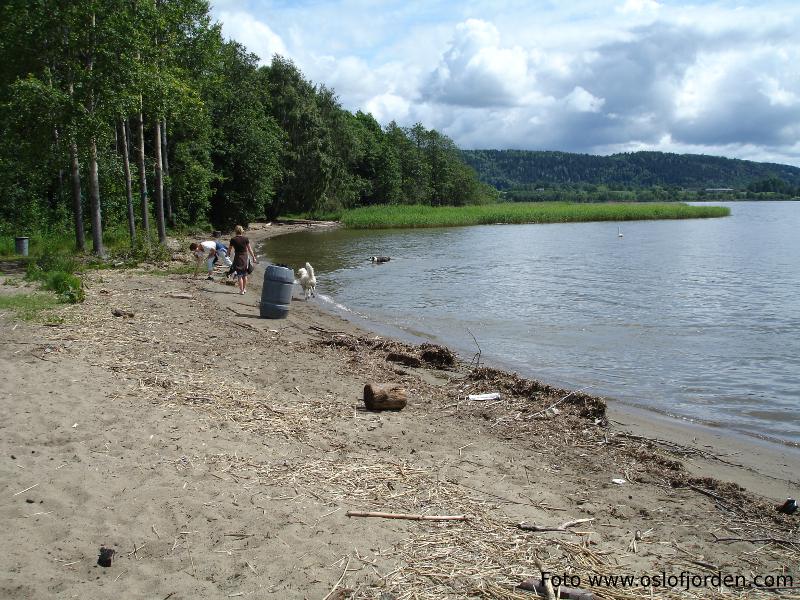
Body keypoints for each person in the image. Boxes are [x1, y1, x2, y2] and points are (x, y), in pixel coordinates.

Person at [228, 225, 258, 294]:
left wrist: (228, 254)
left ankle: (241, 290)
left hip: (238, 257)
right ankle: (244, 289)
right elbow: (249, 249)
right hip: (245, 257)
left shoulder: (233, 239)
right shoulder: (245, 239)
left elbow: (229, 249)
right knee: (245, 275)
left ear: (235, 231)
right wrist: (253, 257)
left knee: (239, 275)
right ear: (242, 231)